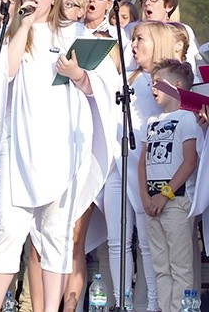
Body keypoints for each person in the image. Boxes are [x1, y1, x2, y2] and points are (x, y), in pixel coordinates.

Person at [0, 0, 117, 312]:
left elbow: (102, 89)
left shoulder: (74, 33)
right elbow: (4, 74)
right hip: (18, 148)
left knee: (56, 235)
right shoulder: (10, 33)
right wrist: (24, 24)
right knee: (9, 232)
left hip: (62, 150)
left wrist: (77, 74)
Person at [104, 21, 185, 310]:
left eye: (140, 39)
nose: (133, 45)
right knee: (118, 241)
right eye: (133, 39)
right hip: (118, 163)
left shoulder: (163, 84)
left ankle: (153, 304)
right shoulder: (125, 77)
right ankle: (121, 302)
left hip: (149, 169)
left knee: (148, 244)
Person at [138, 58, 201, 312]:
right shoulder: (151, 122)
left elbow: (189, 161)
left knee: (180, 265)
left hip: (175, 201)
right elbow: (142, 162)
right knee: (161, 266)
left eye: (158, 83)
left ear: (176, 85)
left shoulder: (187, 118)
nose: (153, 88)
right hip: (152, 204)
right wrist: (145, 198)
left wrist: (165, 195)